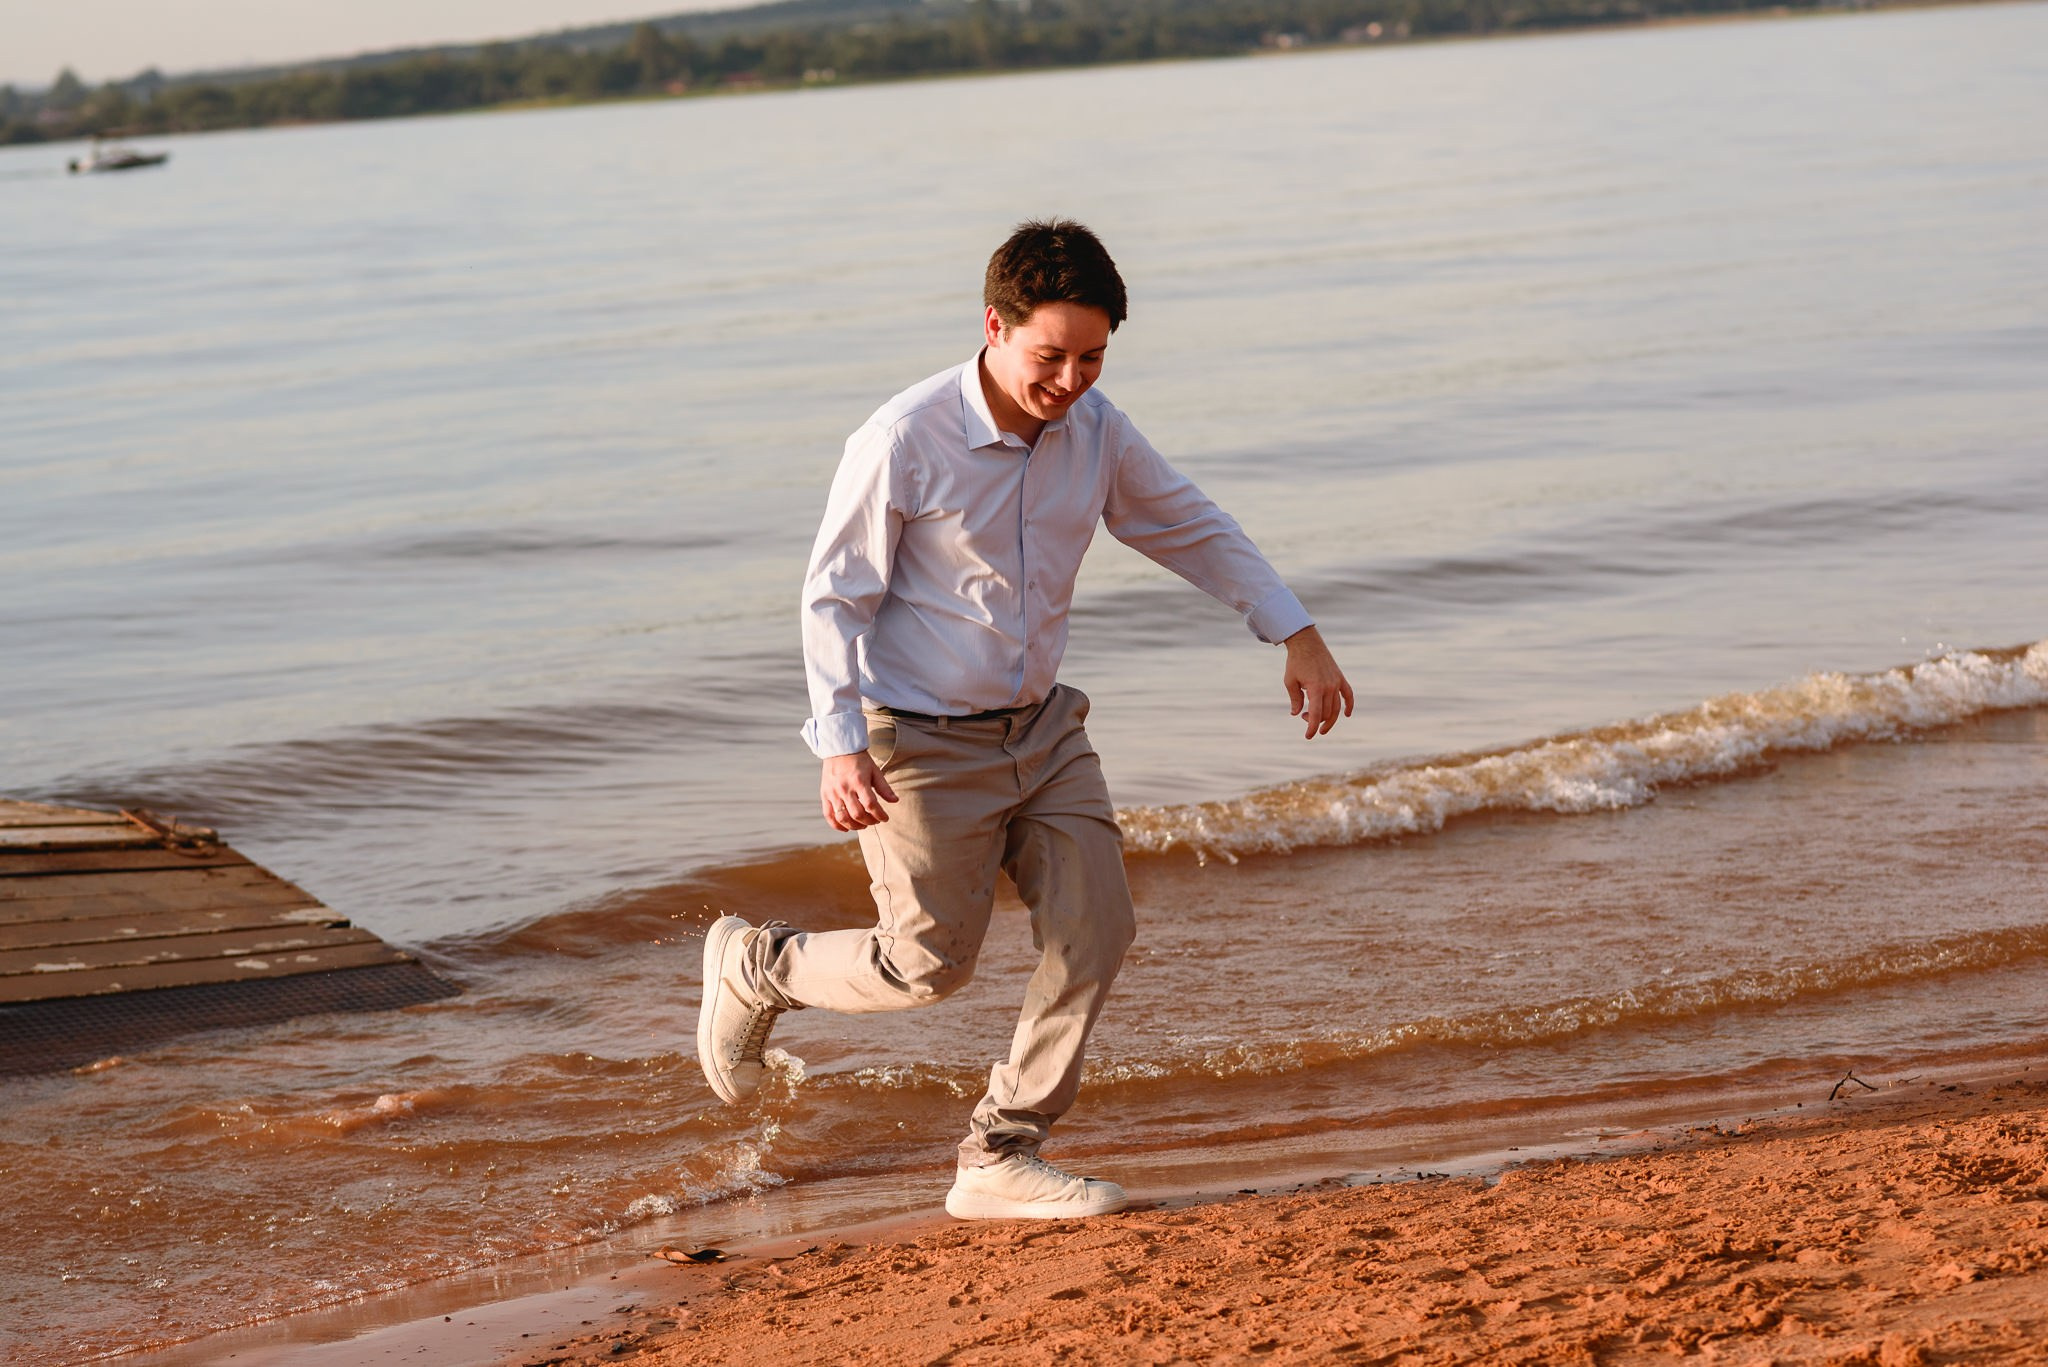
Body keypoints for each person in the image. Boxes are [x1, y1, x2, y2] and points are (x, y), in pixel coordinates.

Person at [698, 218, 1352, 1220]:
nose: (1072, 378)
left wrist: (1291, 630)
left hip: (1044, 731)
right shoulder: (902, 439)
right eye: (1052, 354)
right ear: (994, 326)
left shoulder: (1097, 431)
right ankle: (761, 964)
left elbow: (1187, 523)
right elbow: (834, 595)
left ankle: (998, 1151)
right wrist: (836, 743)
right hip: (915, 741)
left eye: (1092, 355)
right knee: (922, 967)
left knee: (1096, 925)